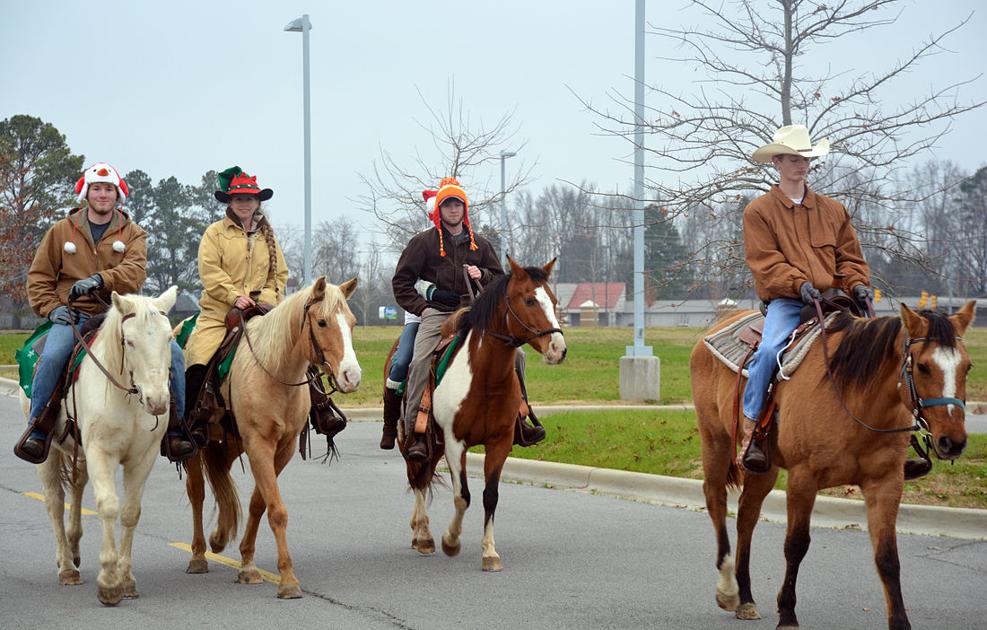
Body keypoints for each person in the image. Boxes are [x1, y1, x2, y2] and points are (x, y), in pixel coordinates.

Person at [14, 162, 195, 464]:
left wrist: (101, 279)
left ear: (117, 195)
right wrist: (52, 308)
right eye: (96, 188)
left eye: (108, 189)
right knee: (53, 356)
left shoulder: (134, 232)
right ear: (86, 193)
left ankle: (176, 429)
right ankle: (39, 427)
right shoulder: (60, 231)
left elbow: (135, 271)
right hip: (75, 316)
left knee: (174, 354)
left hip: (123, 315)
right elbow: (39, 277)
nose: (102, 194)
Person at [740, 125, 871, 472]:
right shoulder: (759, 212)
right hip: (788, 300)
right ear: (777, 163)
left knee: (883, 348)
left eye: (806, 158)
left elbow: (850, 258)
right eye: (794, 158)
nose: (802, 164)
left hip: (835, 298)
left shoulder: (833, 210)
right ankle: (752, 428)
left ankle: (904, 430)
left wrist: (857, 283)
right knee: (768, 351)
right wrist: (798, 284)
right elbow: (765, 262)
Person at [392, 177, 545, 462]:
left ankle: (521, 418)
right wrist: (423, 308)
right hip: (436, 313)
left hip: (474, 310)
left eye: (458, 204)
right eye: (448, 204)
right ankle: (416, 430)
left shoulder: (481, 245)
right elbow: (401, 282)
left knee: (519, 356)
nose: (453, 209)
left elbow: (501, 282)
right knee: (420, 360)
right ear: (440, 208)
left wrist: (482, 275)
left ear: (465, 209)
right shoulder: (422, 243)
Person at [182, 166, 288, 443]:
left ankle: (317, 411)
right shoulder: (214, 233)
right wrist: (233, 296)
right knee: (197, 358)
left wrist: (263, 300)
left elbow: (279, 275)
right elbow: (210, 271)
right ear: (229, 201)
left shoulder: (268, 235)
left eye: (249, 198)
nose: (244, 203)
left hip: (262, 312)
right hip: (219, 313)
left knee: (296, 351)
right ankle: (190, 422)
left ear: (257, 202)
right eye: (239, 198)